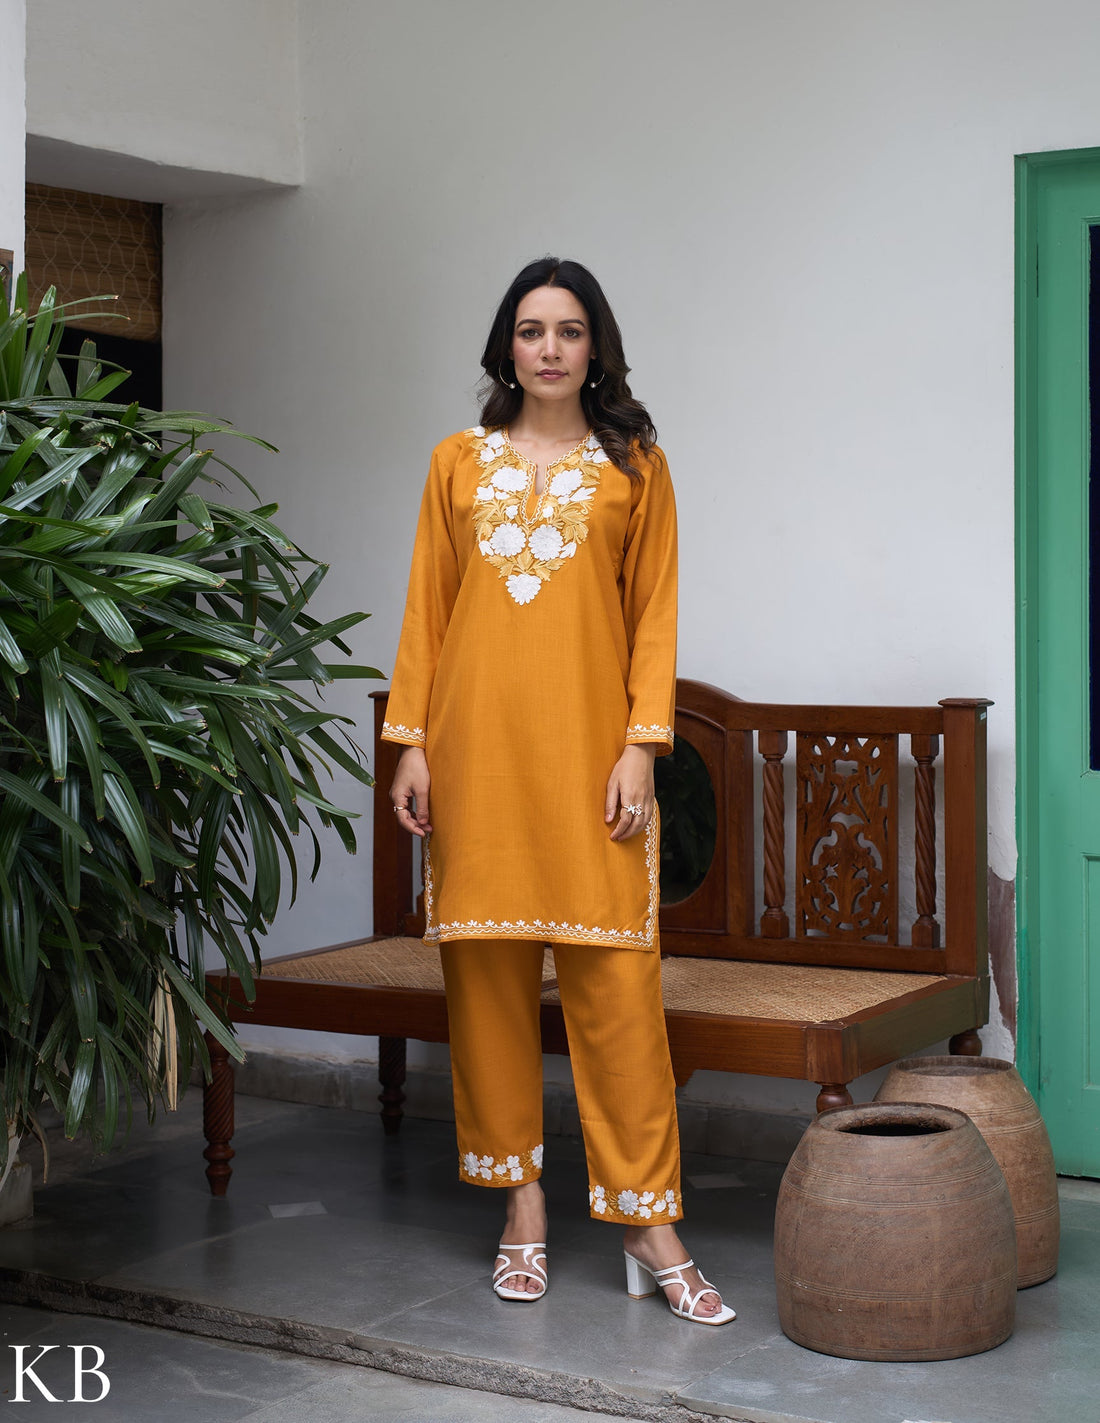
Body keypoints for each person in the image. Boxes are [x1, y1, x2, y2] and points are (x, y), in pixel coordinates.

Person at [383, 257, 734, 1325]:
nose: (548, 348)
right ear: (507, 346)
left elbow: (655, 616)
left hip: (592, 760)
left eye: (568, 330)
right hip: (475, 755)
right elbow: (427, 608)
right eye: (531, 330)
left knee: (618, 990)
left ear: (595, 349)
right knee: (486, 983)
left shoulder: (635, 468)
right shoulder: (456, 463)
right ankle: (521, 1207)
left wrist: (641, 745)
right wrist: (411, 743)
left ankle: (647, 1221)